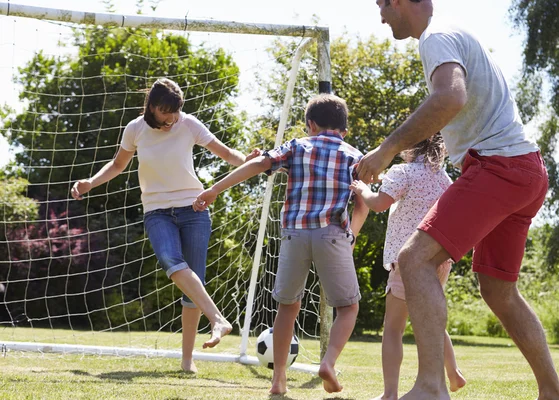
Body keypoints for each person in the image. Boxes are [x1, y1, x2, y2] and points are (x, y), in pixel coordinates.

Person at [357, 1, 559, 399]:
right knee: (497, 289)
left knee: (414, 260)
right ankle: (552, 393)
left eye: (384, 3)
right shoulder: (451, 33)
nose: (382, 15)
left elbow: (450, 98)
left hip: (498, 167)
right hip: (525, 170)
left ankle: (431, 386)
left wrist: (387, 149)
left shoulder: (435, 37)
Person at [70, 78, 260, 373]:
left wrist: (245, 160)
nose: (171, 118)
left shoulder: (188, 124)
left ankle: (187, 360)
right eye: (164, 111)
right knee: (171, 261)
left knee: (192, 285)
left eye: (175, 111)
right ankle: (218, 320)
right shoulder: (135, 129)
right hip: (157, 211)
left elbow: (224, 153)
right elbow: (118, 164)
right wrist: (91, 183)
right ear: (151, 107)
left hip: (194, 209)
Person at [193, 93, 369, 395]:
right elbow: (363, 203)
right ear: (344, 128)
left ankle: (278, 381)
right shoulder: (356, 156)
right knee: (348, 307)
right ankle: (328, 362)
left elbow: (259, 164)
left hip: (294, 235)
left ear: (310, 124)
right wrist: (350, 234)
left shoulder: (297, 146)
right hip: (332, 234)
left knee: (287, 307)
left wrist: (215, 189)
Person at [350, 133, 465, 400]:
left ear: (408, 148)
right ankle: (453, 372)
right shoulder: (445, 180)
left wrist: (362, 190)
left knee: (393, 327)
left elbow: (379, 204)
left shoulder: (403, 171)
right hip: (438, 261)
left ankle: (390, 393)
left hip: (409, 261)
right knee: (431, 320)